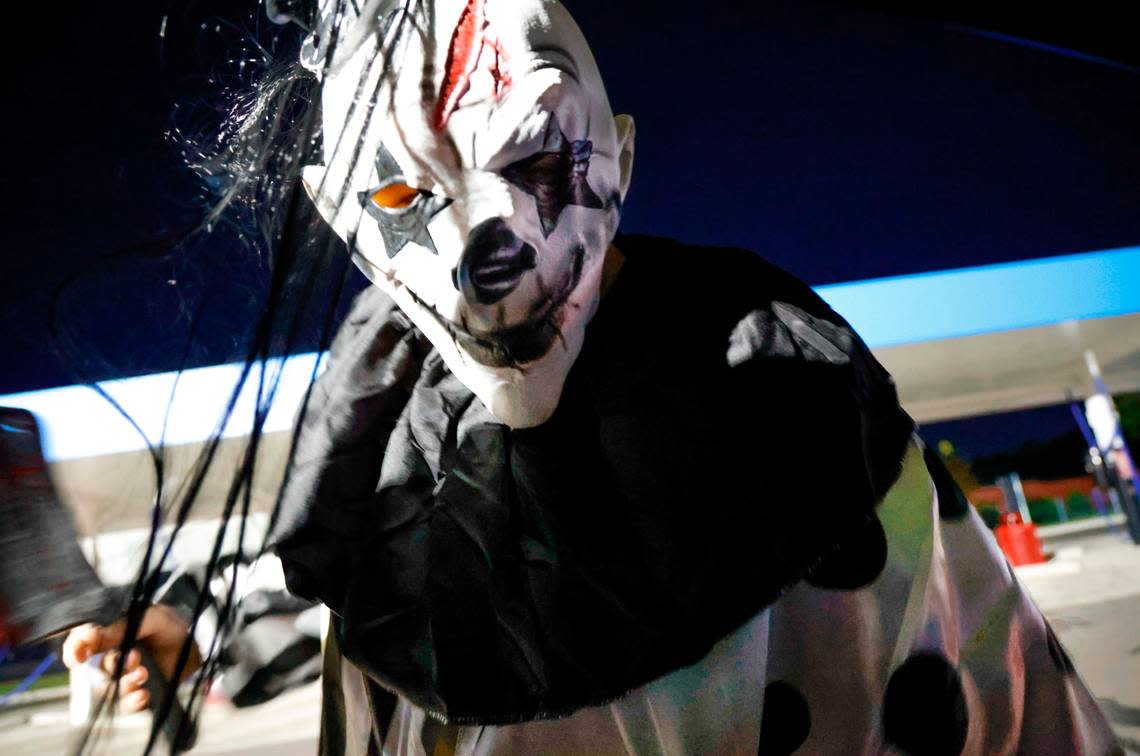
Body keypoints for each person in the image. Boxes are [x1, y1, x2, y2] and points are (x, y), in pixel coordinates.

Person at [66, 1, 1120, 753]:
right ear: (340, 219)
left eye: (536, 162)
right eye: (396, 195)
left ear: (619, 157)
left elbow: (1000, 700)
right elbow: (364, 589)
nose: (490, 262)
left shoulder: (788, 415)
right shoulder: (378, 443)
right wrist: (184, 623)